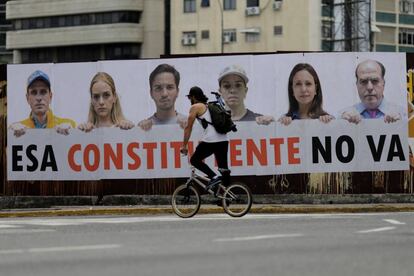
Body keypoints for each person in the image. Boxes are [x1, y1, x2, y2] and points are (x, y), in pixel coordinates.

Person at [180, 86, 230, 191]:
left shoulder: (195, 107)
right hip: (224, 139)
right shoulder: (209, 106)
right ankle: (227, 199)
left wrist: (184, 145)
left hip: (211, 140)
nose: (190, 100)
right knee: (223, 169)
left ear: (193, 97)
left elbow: (188, 127)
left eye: (190, 98)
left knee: (194, 160)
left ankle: (214, 177)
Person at [9, 70, 76, 137]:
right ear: (27, 98)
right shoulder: (16, 129)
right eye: (34, 92)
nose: (38, 98)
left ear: (50, 96)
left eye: (43, 92)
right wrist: (10, 137)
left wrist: (72, 133)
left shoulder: (68, 125)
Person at [340, 59, 406, 124]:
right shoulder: (341, 117)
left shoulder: (404, 115)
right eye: (363, 81)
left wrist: (403, 126)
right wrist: (339, 126)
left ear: (383, 83)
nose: (369, 87)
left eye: (375, 81)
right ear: (357, 85)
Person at [138, 64, 187, 130]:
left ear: (177, 91)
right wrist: (138, 132)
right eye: (158, 88)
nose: (164, 94)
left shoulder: (192, 125)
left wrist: (194, 130)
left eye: (169, 87)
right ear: (151, 93)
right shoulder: (143, 128)